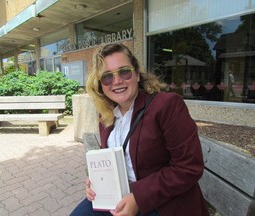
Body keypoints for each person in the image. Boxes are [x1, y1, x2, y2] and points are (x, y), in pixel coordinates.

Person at [70, 43, 210, 216]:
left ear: (136, 74)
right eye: (107, 76)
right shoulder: (106, 116)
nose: (117, 81)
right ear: (100, 84)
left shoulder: (166, 105)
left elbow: (189, 167)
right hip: (118, 197)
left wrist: (137, 198)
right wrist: (96, 182)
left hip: (163, 202)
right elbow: (108, 160)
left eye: (124, 71)